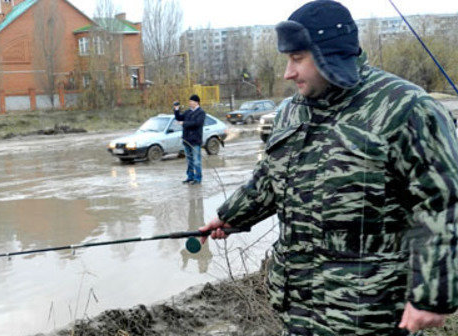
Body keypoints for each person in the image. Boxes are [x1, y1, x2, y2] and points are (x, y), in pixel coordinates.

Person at [199, 1, 458, 335]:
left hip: (370, 314)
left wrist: (432, 295)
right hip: (298, 309)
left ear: (329, 54)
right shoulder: (292, 111)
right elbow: (270, 179)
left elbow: (441, 201)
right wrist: (231, 215)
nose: (287, 73)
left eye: (297, 59)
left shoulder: (406, 108)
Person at [174, 94, 206, 185]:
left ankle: (198, 178)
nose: (189, 103)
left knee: (196, 161)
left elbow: (196, 123)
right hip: (186, 140)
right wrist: (176, 109)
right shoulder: (188, 112)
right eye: (189, 101)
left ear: (196, 102)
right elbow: (178, 117)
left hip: (195, 141)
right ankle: (190, 177)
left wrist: (184, 123)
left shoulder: (201, 113)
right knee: (189, 160)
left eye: (191, 101)